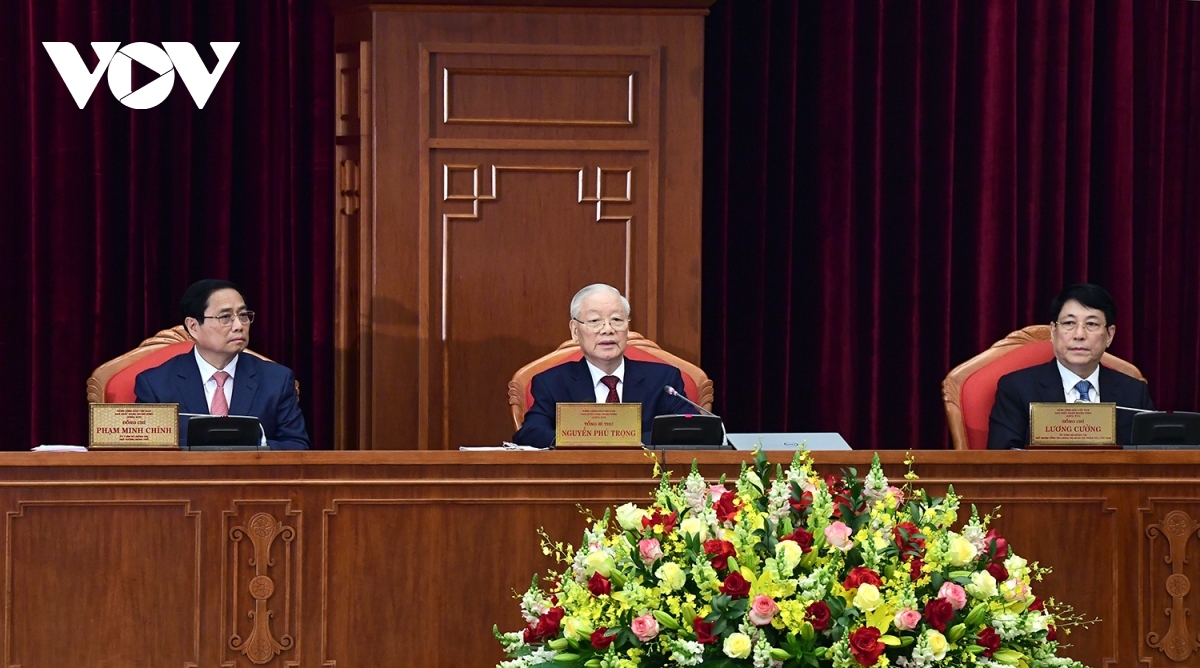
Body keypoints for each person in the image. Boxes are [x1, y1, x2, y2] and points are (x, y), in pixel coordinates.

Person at [134, 279, 310, 450]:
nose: (239, 326)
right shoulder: (156, 385)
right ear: (193, 326)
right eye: (225, 317)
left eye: (243, 315)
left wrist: (249, 447)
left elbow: (297, 446)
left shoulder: (276, 380)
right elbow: (144, 452)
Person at [512, 284, 695, 448]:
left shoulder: (663, 380)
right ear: (575, 331)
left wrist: (626, 441)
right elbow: (531, 432)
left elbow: (691, 429)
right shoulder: (552, 382)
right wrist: (581, 441)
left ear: (627, 328)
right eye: (594, 321)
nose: (608, 329)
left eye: (617, 320)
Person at [987, 283, 1154, 450]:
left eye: (1091, 324)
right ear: (1053, 331)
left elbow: (1152, 456)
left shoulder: (1134, 393)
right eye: (1069, 323)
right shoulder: (1017, 389)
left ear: (1109, 335)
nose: (1079, 335)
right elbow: (1001, 459)